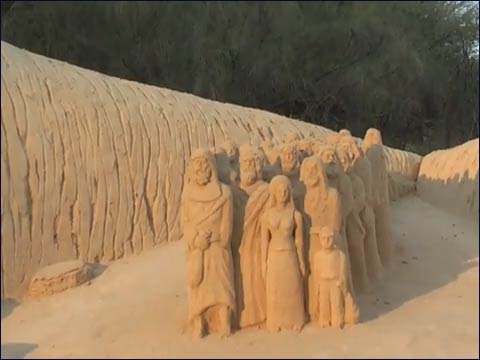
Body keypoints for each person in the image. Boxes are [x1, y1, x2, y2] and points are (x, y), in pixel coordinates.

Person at [181, 148, 235, 338]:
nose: (201, 167)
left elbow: (227, 223)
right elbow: (185, 222)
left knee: (222, 284)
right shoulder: (187, 194)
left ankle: (224, 322)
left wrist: (220, 239)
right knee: (198, 286)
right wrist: (196, 240)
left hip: (218, 247)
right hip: (197, 248)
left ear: (212, 167)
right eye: (197, 164)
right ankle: (198, 322)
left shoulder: (224, 193)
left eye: (204, 163)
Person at [261, 175, 306, 332]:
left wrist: (301, 263)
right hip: (274, 256)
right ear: (274, 192)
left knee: (292, 288)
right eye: (280, 190)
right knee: (275, 290)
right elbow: (264, 241)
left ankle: (296, 319)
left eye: (286, 190)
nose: (283, 193)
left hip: (290, 255)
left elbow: (299, 241)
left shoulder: (296, 215)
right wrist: (263, 263)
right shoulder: (267, 216)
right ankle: (275, 321)